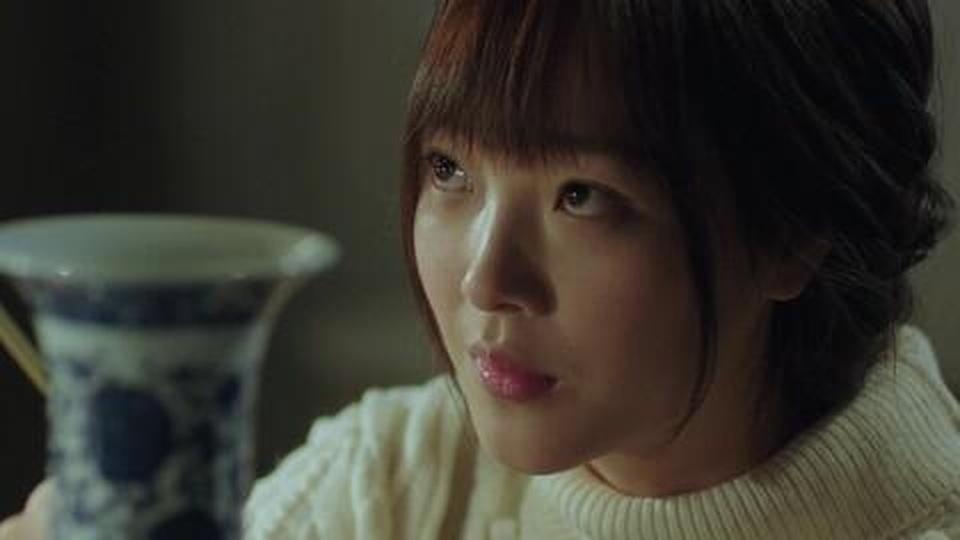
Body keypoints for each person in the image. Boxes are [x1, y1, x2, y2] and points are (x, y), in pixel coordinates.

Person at [3, 0, 959, 538]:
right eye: (450, 171)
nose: (485, 280)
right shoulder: (402, 481)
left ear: (793, 232)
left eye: (582, 195)